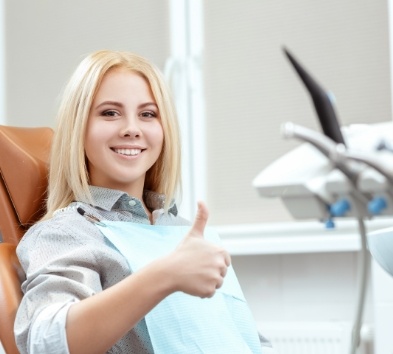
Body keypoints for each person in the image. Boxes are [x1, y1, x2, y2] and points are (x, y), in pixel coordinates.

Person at [14, 50, 270, 353]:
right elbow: (47, 342)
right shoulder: (68, 232)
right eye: (110, 113)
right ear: (78, 129)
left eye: (147, 114)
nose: (131, 128)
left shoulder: (182, 231)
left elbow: (246, 340)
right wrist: (165, 275)